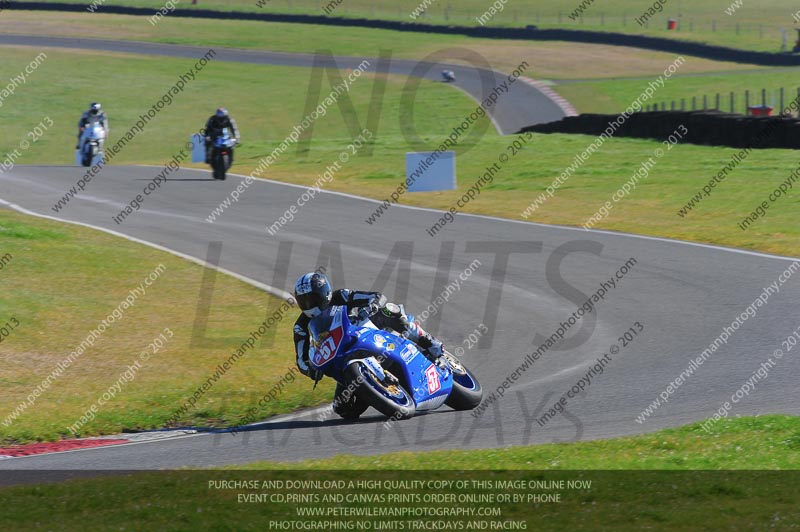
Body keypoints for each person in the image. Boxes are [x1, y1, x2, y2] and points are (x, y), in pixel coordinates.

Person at [293, 272, 445, 419]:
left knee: (388, 311)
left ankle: (430, 343)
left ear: (324, 292)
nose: (309, 304)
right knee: (342, 407)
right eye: (303, 301)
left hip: (365, 332)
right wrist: (310, 370)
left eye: (312, 298)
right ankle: (377, 391)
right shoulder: (300, 326)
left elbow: (376, 296)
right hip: (341, 356)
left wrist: (372, 304)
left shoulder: (340, 296)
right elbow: (301, 360)